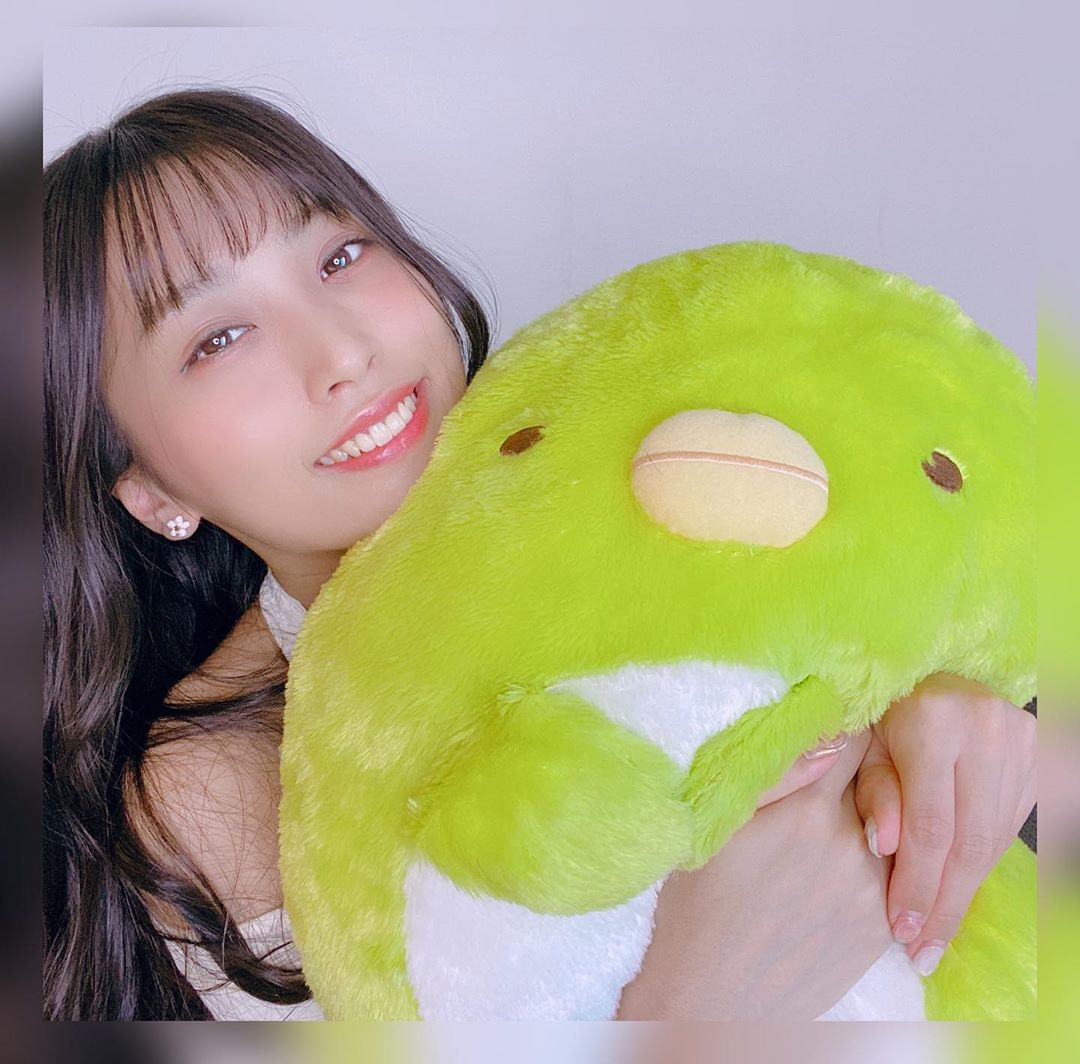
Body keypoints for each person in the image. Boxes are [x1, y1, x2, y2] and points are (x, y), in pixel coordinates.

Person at [43, 87, 1037, 1021]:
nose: (342, 353)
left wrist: (937, 680)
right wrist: (683, 1016)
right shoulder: (208, 800)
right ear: (150, 488)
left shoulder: (649, 444)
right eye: (218, 339)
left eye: (340, 256)